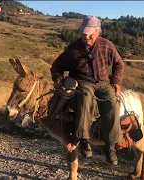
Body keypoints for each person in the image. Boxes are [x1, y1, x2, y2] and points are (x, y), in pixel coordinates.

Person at [50, 16, 124, 165]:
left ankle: (110, 147)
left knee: (112, 101)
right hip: (83, 82)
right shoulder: (73, 49)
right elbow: (56, 66)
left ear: (98, 32)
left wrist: (115, 81)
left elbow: (118, 64)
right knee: (84, 96)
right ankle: (84, 140)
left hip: (102, 83)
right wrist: (58, 80)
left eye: (90, 33)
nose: (87, 36)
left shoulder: (106, 45)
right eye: (84, 33)